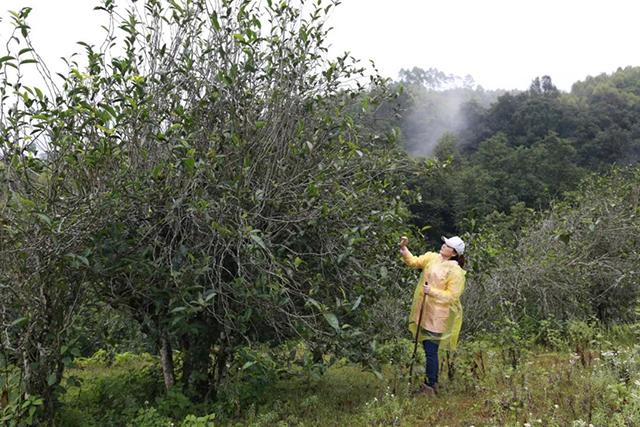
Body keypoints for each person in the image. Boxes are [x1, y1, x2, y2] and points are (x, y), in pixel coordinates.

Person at [400, 235, 466, 397]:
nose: (444, 245)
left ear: (454, 253)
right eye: (444, 243)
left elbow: (452, 295)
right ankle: (428, 383)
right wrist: (404, 249)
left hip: (437, 316)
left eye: (448, 245)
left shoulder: (455, 271)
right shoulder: (432, 257)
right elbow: (414, 262)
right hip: (423, 310)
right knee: (426, 347)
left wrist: (432, 292)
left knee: (431, 350)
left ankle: (431, 385)